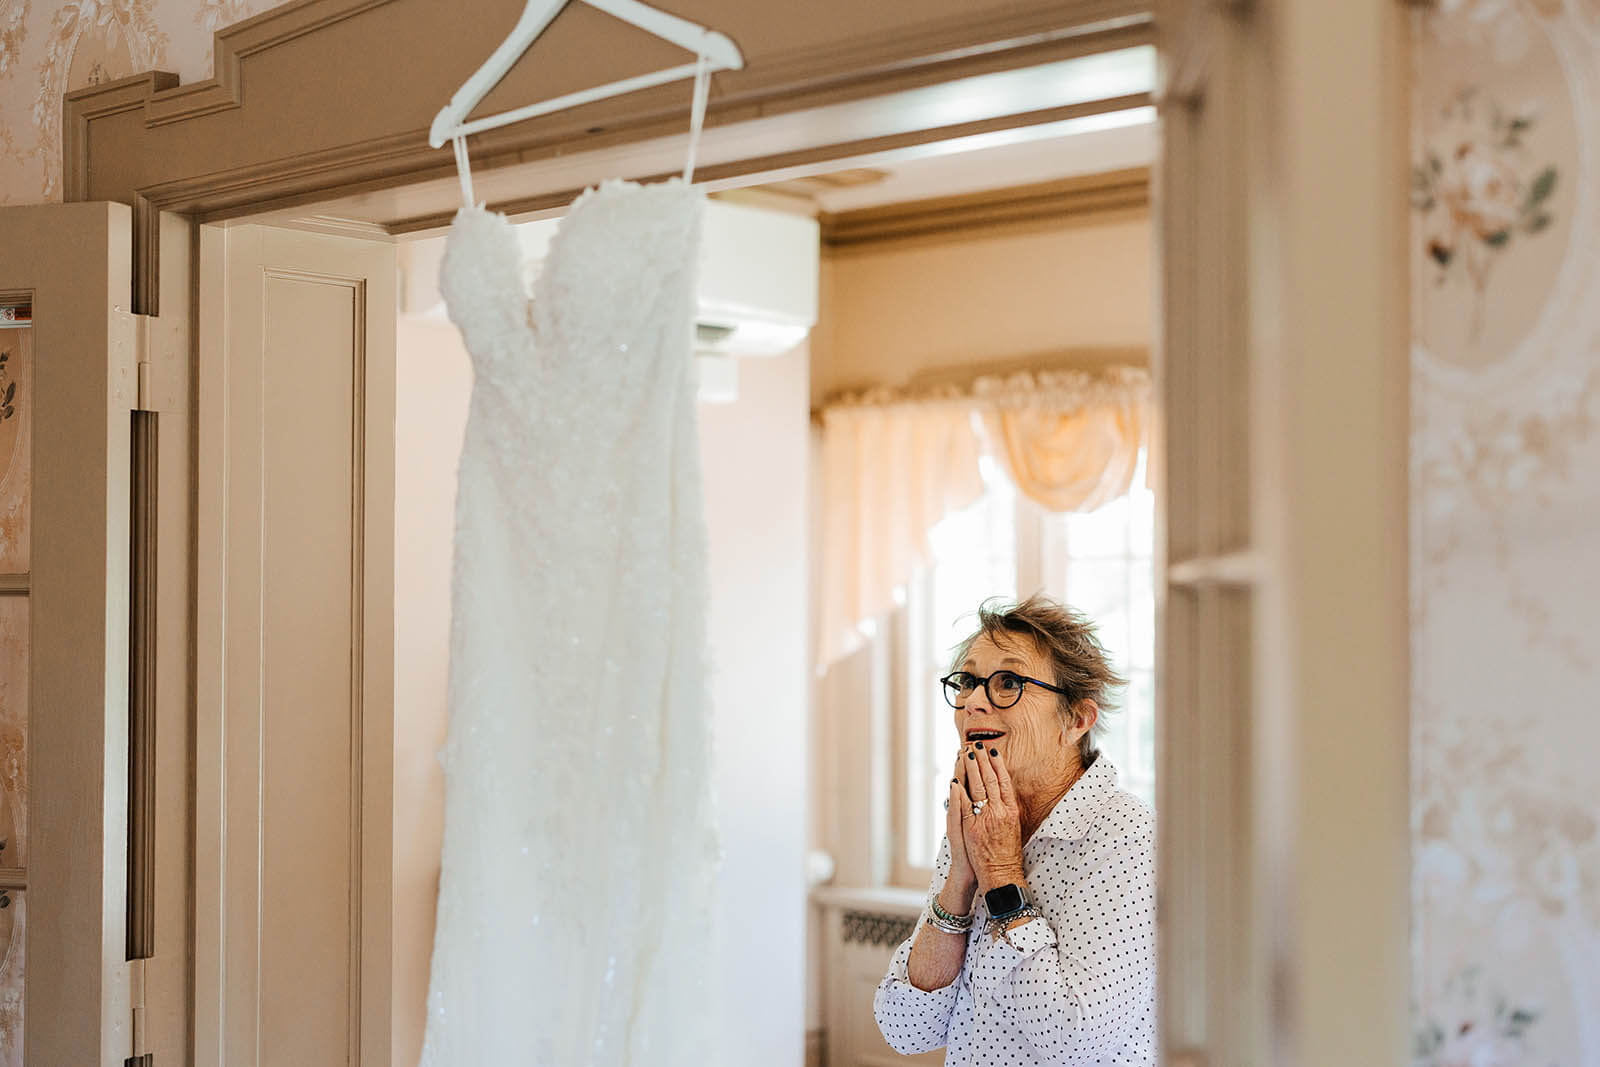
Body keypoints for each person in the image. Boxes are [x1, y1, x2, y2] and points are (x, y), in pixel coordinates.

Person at [873, 594, 1155, 1065]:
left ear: (1078, 720)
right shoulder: (977, 823)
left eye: (1007, 682)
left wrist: (1002, 874)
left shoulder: (1127, 836)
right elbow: (906, 1027)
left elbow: (1075, 1044)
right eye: (967, 681)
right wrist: (960, 879)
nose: (972, 703)